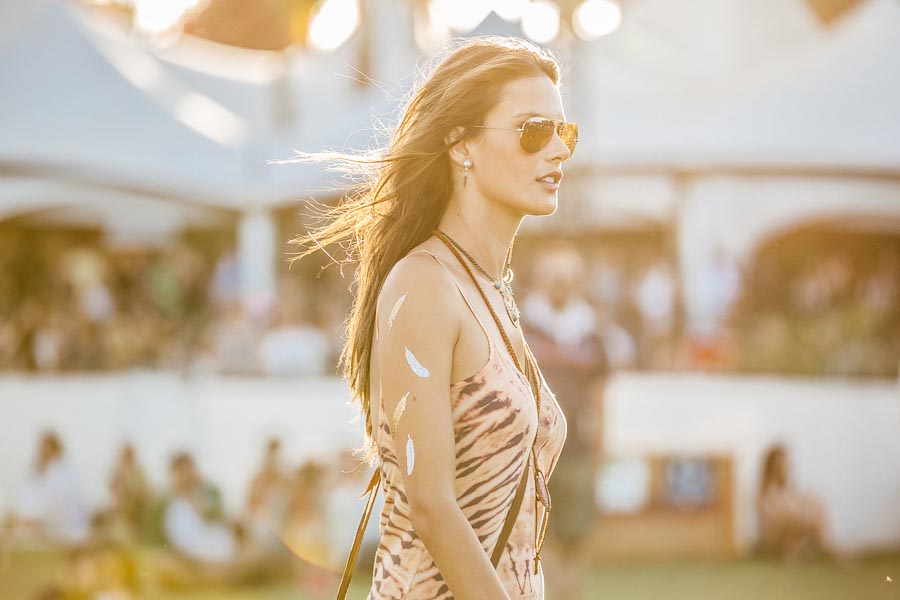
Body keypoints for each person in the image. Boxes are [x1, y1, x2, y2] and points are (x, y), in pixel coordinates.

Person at [288, 36, 571, 599]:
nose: (559, 149)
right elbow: (432, 506)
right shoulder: (424, 285)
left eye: (566, 132)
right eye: (534, 130)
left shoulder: (489, 289)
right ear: (460, 144)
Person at [521, 244, 607, 598]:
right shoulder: (522, 324)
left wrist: (601, 443)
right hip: (530, 448)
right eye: (554, 276)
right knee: (534, 536)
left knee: (576, 536)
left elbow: (600, 393)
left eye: (566, 277)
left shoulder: (591, 331)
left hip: (575, 448)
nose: (560, 284)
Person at [757, 444, 836, 561]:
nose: (783, 469)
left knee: (815, 506)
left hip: (789, 533)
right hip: (775, 537)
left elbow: (795, 507)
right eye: (780, 465)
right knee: (803, 517)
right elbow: (776, 517)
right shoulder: (767, 491)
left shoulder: (787, 490)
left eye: (785, 465)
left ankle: (801, 551)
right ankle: (827, 551)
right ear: (771, 467)